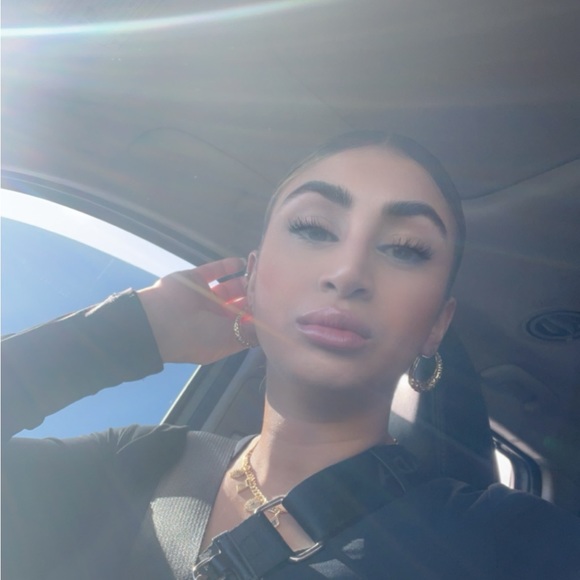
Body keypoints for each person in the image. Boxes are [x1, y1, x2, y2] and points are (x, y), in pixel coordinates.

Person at [3, 131, 580, 580]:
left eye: (405, 248)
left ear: (437, 325)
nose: (348, 272)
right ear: (253, 279)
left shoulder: (511, 543)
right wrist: (130, 331)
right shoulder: (137, 461)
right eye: (313, 228)